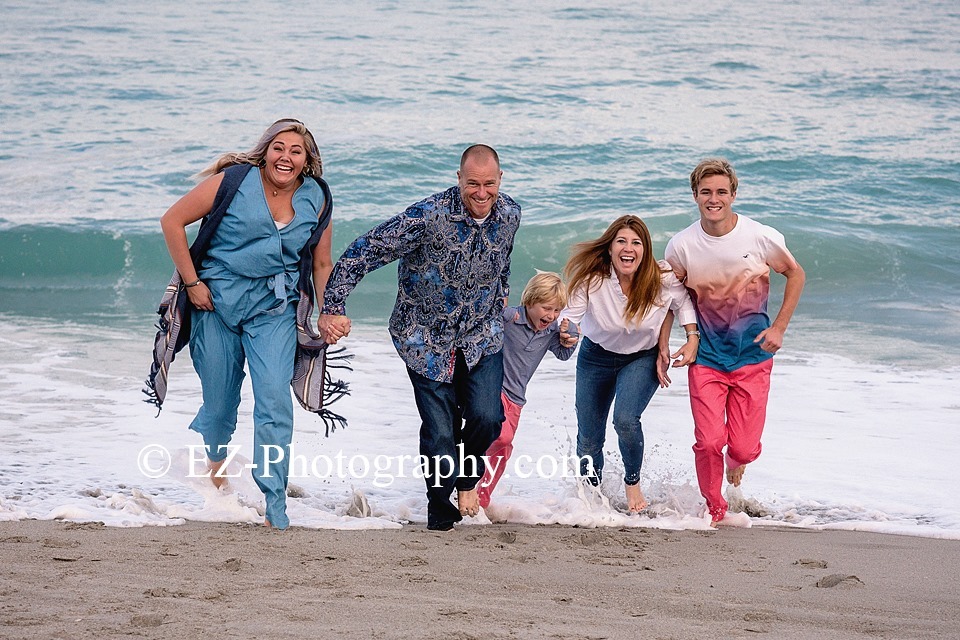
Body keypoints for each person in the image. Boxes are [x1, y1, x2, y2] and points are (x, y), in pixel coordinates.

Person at [318, 144, 521, 531]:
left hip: (482, 335)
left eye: (489, 184)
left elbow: (503, 258)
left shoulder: (510, 212)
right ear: (458, 178)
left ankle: (467, 479)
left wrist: (502, 294)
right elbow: (366, 249)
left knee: (487, 418)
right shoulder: (428, 216)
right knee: (441, 431)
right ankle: (439, 508)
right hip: (425, 339)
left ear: (500, 180)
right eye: (473, 184)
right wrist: (334, 304)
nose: (482, 193)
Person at [159, 119, 334, 530]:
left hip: (274, 308)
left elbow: (323, 262)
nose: (285, 157)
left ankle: (275, 501)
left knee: (274, 400)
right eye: (279, 148)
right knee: (220, 406)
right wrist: (192, 282)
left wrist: (327, 311)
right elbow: (172, 221)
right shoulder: (232, 182)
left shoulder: (318, 197)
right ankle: (216, 466)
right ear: (265, 151)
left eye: (295, 151)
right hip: (216, 304)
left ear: (307, 160)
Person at [664, 158, 805, 526]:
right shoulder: (681, 246)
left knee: (742, 447)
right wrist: (669, 342)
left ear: (733, 194)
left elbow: (795, 272)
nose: (714, 199)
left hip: (753, 357)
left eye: (721, 192)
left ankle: (736, 463)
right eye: (706, 192)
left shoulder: (760, 237)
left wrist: (779, 328)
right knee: (709, 441)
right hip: (707, 359)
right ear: (695, 195)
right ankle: (715, 510)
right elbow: (671, 297)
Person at [562, 215, 699, 513]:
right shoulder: (592, 279)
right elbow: (570, 318)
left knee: (625, 419)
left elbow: (683, 304)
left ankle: (632, 482)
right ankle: (591, 494)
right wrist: (567, 333)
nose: (629, 248)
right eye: (621, 241)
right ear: (610, 248)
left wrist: (691, 337)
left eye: (636, 242)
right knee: (588, 438)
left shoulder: (661, 277)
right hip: (595, 357)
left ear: (645, 249)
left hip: (641, 357)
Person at [476, 271, 579, 509]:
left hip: (516, 397)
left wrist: (571, 335)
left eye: (556, 310)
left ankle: (484, 493)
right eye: (546, 308)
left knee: (504, 447)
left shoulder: (551, 331)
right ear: (530, 301)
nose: (551, 316)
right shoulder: (510, 318)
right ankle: (469, 474)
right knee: (502, 436)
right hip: (493, 388)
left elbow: (564, 354)